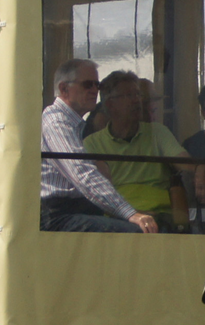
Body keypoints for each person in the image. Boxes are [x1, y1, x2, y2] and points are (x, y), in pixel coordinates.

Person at [39, 58, 157, 233]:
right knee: (138, 233)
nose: (94, 90)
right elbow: (82, 174)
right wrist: (130, 213)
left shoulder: (73, 124)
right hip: (58, 216)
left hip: (77, 210)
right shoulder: (57, 123)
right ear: (64, 89)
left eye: (97, 85)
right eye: (88, 85)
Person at [82, 71, 193, 222]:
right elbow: (97, 192)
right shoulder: (92, 143)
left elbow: (184, 162)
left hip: (161, 216)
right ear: (110, 104)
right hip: (119, 219)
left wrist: (199, 169)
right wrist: (133, 214)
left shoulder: (157, 132)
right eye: (129, 96)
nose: (137, 101)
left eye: (137, 95)